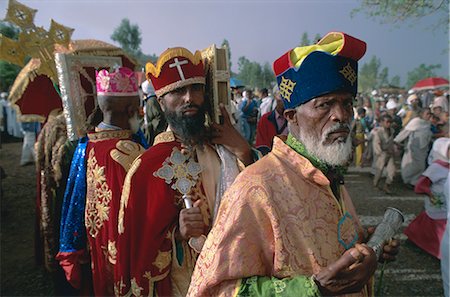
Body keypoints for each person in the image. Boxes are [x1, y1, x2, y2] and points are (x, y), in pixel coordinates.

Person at [188, 32, 399, 297]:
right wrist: (313, 289)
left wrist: (367, 245)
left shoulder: (326, 171)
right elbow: (216, 289)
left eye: (347, 103)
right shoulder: (256, 188)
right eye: (325, 105)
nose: (341, 116)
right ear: (292, 117)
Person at [114, 47, 258, 297]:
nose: (189, 98)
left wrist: (244, 152)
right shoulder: (148, 167)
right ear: (160, 101)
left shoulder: (224, 149)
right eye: (178, 91)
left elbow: (256, 204)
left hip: (235, 277)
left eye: (196, 89)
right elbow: (138, 247)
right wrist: (177, 234)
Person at [56, 67, 146, 296]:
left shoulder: (84, 147)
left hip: (95, 242)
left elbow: (73, 199)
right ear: (130, 110)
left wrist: (71, 246)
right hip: (130, 247)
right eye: (138, 108)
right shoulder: (133, 151)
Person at [404, 137, 449, 259]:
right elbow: (421, 185)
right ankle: (439, 250)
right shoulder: (436, 167)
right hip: (437, 201)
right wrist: (430, 195)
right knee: (440, 226)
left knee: (428, 222)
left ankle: (415, 238)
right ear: (442, 151)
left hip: (444, 201)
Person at [394, 108, 433, 186]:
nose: (429, 115)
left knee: (421, 167)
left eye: (430, 114)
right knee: (412, 165)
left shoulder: (427, 123)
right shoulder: (416, 122)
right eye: (427, 114)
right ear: (422, 114)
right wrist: (396, 141)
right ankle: (407, 180)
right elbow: (405, 132)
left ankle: (414, 182)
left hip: (423, 148)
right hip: (414, 148)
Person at [255, 85, 288, 154]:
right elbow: (261, 145)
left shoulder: (295, 120)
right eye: (281, 96)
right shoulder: (265, 119)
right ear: (275, 97)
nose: (284, 100)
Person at [372, 114, 396, 194]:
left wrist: (393, 149)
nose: (389, 124)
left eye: (390, 122)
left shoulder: (392, 131)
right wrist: (379, 153)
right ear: (382, 122)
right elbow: (376, 143)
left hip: (390, 153)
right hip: (382, 153)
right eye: (387, 122)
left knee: (392, 171)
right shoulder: (378, 132)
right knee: (379, 170)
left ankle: (387, 185)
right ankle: (375, 184)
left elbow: (391, 142)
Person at [141, 80, 167, 146]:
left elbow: (159, 117)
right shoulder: (149, 100)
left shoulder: (152, 101)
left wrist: (150, 127)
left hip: (153, 133)